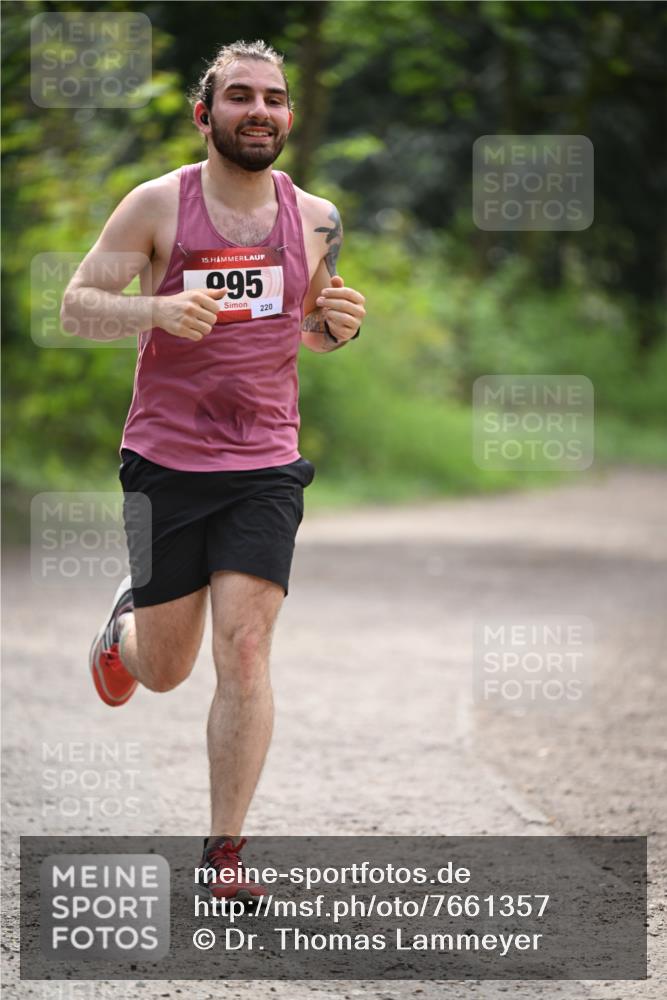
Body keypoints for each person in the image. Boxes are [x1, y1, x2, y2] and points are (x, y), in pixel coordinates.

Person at [60, 39, 366, 900]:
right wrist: (157, 307)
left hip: (267, 461)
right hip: (165, 459)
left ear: (288, 117)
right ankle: (122, 635)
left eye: (272, 98)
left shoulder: (318, 217)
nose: (258, 110)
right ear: (206, 115)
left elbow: (305, 326)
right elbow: (77, 306)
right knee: (166, 669)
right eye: (239, 97)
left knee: (249, 644)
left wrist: (337, 324)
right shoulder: (157, 205)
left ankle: (224, 858)